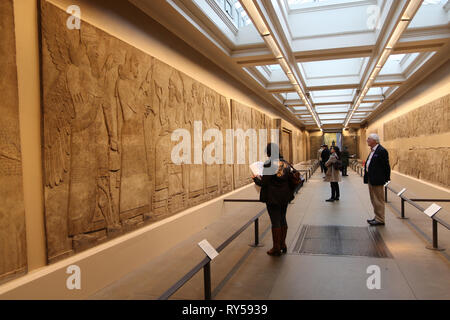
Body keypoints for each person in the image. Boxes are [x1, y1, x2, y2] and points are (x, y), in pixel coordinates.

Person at [252, 143, 293, 256]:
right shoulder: (285, 163)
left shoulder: (269, 164)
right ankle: (283, 244)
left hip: (273, 197)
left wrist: (255, 178)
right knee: (283, 219)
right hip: (284, 196)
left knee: (275, 221)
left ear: (269, 152)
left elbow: (264, 183)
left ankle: (276, 247)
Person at [364, 134, 390, 226]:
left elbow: (386, 166)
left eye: (369, 139)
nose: (367, 140)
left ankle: (380, 219)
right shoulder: (373, 151)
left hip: (377, 179)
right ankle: (377, 216)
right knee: (374, 199)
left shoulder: (381, 151)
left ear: (374, 141)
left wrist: (386, 178)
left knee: (378, 200)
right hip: (371, 178)